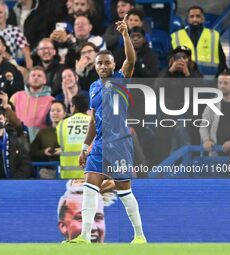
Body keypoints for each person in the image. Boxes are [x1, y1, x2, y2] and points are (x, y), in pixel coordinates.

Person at [67, 15, 146, 244]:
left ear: (113, 65)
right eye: (99, 63)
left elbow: (131, 59)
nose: (103, 66)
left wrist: (125, 35)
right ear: (95, 66)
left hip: (120, 142)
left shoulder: (121, 79)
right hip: (100, 143)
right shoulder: (92, 87)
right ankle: (84, 236)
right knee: (90, 187)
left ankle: (139, 235)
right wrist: (85, 146)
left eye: (107, 63)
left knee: (124, 191)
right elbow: (93, 120)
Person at [171, 5, 227, 78]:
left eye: (198, 16)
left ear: (203, 19)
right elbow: (170, 60)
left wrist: (216, 77)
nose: (195, 19)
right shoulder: (177, 36)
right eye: (192, 16)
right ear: (188, 19)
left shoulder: (213, 35)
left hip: (209, 81)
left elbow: (222, 59)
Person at [200, 72, 230, 157]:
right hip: (216, 152)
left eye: (225, 83)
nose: (222, 86)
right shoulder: (212, 104)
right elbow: (204, 124)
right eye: (220, 83)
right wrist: (206, 139)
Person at [0, 1, 33, 68]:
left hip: (8, 66)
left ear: (6, 15)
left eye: (0, 12)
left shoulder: (14, 31)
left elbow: (26, 52)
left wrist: (29, 70)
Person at [10, 66, 55, 143]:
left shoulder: (52, 101)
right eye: (33, 75)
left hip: (40, 143)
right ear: (28, 80)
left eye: (39, 76)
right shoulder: (16, 96)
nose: (36, 78)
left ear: (45, 80)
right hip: (18, 142)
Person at [57, 95, 90, 179]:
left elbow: (61, 144)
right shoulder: (94, 122)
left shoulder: (62, 124)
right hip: (90, 175)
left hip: (67, 176)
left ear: (74, 107)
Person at [31, 101, 66, 179]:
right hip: (47, 171)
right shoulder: (43, 132)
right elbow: (32, 152)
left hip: (67, 171)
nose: (55, 113)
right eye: (52, 110)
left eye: (58, 111)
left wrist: (64, 151)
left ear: (64, 114)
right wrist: (43, 152)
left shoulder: (69, 131)